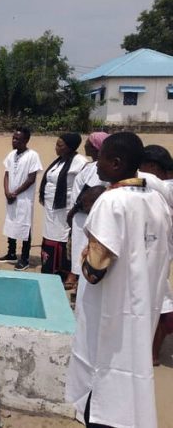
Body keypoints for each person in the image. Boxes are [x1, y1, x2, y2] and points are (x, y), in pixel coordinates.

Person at [66, 132, 173, 428]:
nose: (96, 163)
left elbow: (94, 270)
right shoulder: (158, 203)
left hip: (109, 320)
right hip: (141, 313)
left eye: (101, 158)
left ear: (116, 163)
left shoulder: (111, 202)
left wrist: (85, 252)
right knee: (132, 390)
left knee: (103, 394)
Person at [139, 144, 173, 366]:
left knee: (161, 302)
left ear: (151, 166)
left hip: (157, 252)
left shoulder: (163, 187)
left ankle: (152, 353)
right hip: (158, 250)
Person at [64, 132, 109, 293]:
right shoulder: (89, 167)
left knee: (88, 249)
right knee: (77, 247)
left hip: (88, 216)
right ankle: (75, 278)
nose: (85, 145)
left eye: (89, 143)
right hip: (78, 216)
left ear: (96, 147)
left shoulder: (102, 171)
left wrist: (74, 211)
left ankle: (81, 285)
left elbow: (92, 195)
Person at [38, 133, 87, 280]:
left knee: (61, 237)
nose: (56, 148)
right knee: (49, 234)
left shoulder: (80, 162)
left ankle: (61, 271)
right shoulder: (59, 162)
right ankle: (49, 267)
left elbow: (82, 186)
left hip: (65, 208)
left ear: (70, 147)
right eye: (56, 144)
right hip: (51, 208)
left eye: (60, 145)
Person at [0, 128, 43, 271]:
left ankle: (25, 258)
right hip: (10, 197)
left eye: (17, 139)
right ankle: (11, 253)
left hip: (24, 199)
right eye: (13, 138)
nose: (14, 141)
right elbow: (7, 174)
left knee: (24, 226)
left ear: (26, 140)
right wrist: (6, 192)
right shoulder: (11, 155)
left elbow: (31, 179)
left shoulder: (33, 155)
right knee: (11, 223)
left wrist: (15, 192)